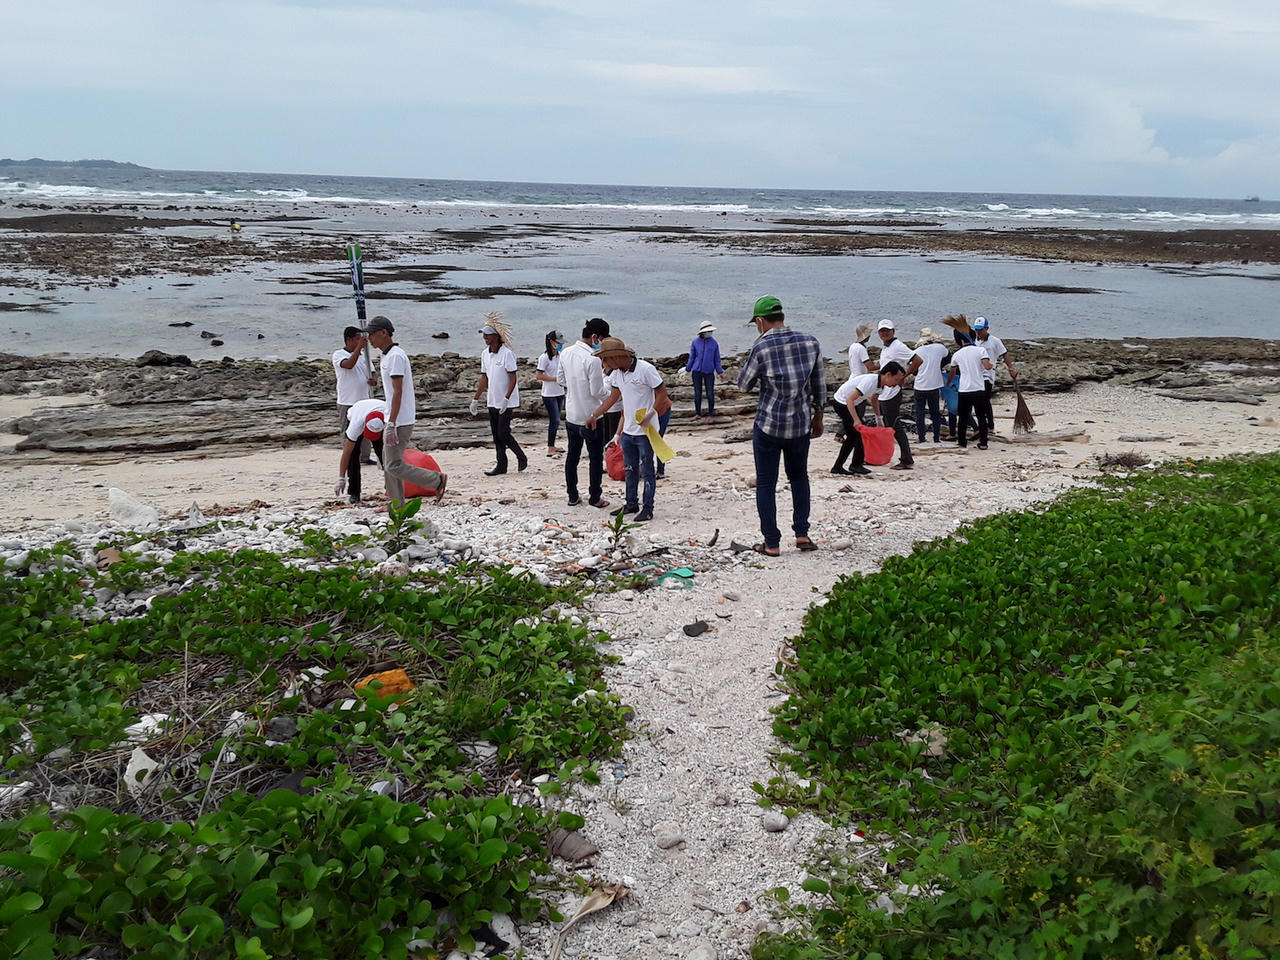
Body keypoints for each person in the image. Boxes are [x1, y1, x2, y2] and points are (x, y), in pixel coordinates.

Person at [737, 295, 826, 557]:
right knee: (799, 477)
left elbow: (743, 385)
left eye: (756, 324)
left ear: (761, 321)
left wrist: (755, 346)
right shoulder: (811, 342)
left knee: (766, 482)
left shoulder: (761, 347)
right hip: (800, 424)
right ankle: (802, 534)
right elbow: (819, 383)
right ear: (783, 316)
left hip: (769, 424)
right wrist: (818, 416)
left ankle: (772, 542)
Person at [587, 338, 670, 523]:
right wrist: (595, 415)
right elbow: (613, 398)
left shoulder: (646, 369)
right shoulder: (617, 374)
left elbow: (662, 394)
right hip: (628, 431)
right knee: (630, 469)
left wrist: (651, 413)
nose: (604, 364)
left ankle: (648, 508)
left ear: (616, 357)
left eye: (605, 359)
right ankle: (631, 503)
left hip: (646, 431)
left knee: (647, 471)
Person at [365, 315, 447, 504]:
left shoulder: (395, 356)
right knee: (388, 465)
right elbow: (391, 386)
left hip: (400, 419)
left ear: (384, 333)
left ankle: (436, 479)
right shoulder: (386, 355)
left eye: (372, 334)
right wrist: (375, 382)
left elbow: (398, 391)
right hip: (392, 416)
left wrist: (392, 423)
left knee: (393, 465)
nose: (369, 338)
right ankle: (397, 504)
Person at [556, 318, 613, 509]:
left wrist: (575, 387)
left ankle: (572, 495)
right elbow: (597, 391)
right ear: (595, 337)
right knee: (595, 458)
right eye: (603, 340)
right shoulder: (593, 359)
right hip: (592, 415)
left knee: (572, 456)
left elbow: (560, 379)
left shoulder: (565, 353)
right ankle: (595, 496)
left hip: (572, 412)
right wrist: (610, 390)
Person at [829, 362, 907, 475]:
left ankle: (853, 465)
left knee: (858, 435)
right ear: (888, 375)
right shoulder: (871, 381)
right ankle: (843, 466)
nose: (896, 384)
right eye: (896, 380)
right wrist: (856, 420)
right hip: (841, 402)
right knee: (855, 434)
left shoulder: (881, 385)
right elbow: (849, 400)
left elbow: (874, 400)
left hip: (852, 404)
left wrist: (878, 418)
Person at [471, 322, 527, 476]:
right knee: (496, 434)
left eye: (488, 335)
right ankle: (501, 465)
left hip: (506, 401)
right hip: (492, 399)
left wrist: (507, 398)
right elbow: (484, 377)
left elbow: (513, 378)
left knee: (503, 432)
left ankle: (521, 456)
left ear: (496, 336)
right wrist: (476, 399)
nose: (485, 338)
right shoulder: (485, 354)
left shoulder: (507, 354)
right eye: (484, 335)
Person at [874, 319, 915, 470]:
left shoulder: (898, 346)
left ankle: (906, 459)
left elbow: (917, 359)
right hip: (885, 392)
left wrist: (904, 377)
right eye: (882, 331)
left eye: (887, 330)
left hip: (892, 393)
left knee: (895, 427)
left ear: (893, 331)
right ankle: (887, 455)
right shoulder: (886, 348)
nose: (884, 333)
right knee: (890, 426)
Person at [333, 326, 378, 465]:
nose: (361, 342)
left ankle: (364, 457)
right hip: (347, 400)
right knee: (348, 430)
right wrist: (359, 348)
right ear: (349, 340)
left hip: (363, 399)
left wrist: (373, 380)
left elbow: (372, 371)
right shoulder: (339, 354)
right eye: (357, 339)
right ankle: (350, 457)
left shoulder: (364, 357)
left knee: (365, 431)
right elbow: (348, 365)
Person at [332, 398, 388, 505]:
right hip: (358, 412)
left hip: (379, 413)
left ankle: (391, 487)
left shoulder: (388, 417)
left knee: (384, 454)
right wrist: (341, 478)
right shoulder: (356, 424)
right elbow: (347, 453)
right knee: (353, 456)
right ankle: (354, 493)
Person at [905, 327, 949, 444]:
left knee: (919, 413)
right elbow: (948, 356)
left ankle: (921, 438)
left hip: (920, 385)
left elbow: (913, 368)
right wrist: (938, 366)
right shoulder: (940, 348)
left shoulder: (917, 352)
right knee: (935, 413)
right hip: (934, 385)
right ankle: (936, 438)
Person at [950, 338, 995, 449]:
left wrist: (948, 383)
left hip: (964, 389)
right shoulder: (980, 350)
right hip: (978, 388)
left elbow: (952, 372)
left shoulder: (956, 354)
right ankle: (983, 443)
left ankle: (962, 442)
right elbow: (987, 366)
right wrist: (991, 365)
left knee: (963, 418)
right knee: (981, 417)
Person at [973, 316, 1017, 430]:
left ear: (987, 328)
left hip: (988, 374)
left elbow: (1005, 354)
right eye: (977, 329)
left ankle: (990, 425)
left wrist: (1011, 369)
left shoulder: (995, 341)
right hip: (976, 374)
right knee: (977, 400)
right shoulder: (974, 340)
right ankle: (981, 424)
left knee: (985, 399)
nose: (978, 332)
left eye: (981, 329)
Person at [535, 330, 567, 456]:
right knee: (554, 420)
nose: (560, 345)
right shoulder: (544, 358)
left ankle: (553, 445)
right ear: (551, 342)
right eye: (558, 343)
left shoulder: (560, 356)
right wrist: (555, 379)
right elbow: (538, 375)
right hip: (549, 394)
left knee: (557, 420)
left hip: (560, 392)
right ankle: (550, 447)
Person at [685, 320, 724, 421]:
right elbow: (692, 357)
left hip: (709, 372)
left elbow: (717, 360)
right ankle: (698, 413)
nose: (710, 333)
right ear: (703, 332)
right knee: (697, 393)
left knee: (710, 394)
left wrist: (720, 372)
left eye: (711, 331)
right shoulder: (695, 342)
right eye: (709, 331)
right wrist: (687, 369)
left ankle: (711, 415)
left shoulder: (714, 343)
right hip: (696, 371)